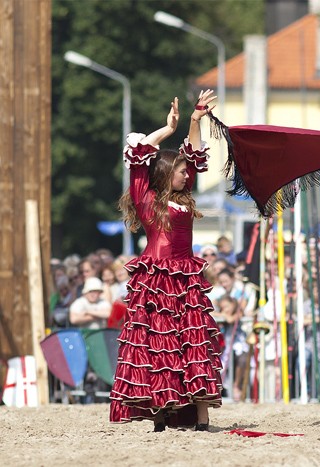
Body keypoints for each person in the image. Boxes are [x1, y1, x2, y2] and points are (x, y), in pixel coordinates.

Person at [109, 90, 223, 432]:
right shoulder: (147, 199)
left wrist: (194, 120)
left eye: (186, 171)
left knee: (194, 346)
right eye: (179, 171)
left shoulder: (185, 199)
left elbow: (196, 153)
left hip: (185, 279)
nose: (186, 174)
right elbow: (137, 154)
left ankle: (201, 418)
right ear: (163, 174)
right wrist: (167, 130)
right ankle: (160, 415)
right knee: (159, 348)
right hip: (157, 280)